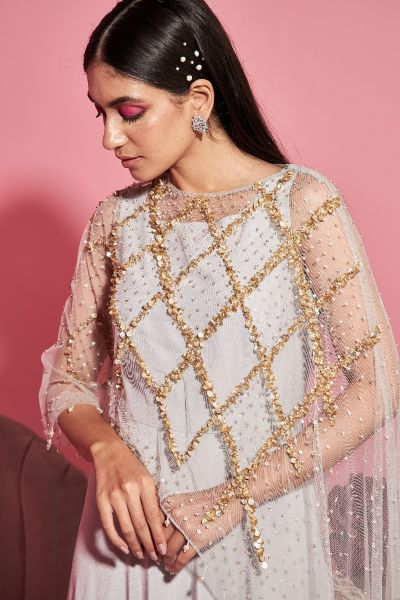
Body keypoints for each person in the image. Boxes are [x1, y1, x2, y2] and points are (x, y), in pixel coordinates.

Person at [38, 0, 400, 598]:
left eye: (130, 111)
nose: (109, 137)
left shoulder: (302, 207)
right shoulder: (115, 223)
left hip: (263, 535)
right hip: (128, 541)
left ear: (199, 101)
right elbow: (67, 378)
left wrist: (232, 499)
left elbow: (376, 384)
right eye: (100, 113)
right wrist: (107, 451)